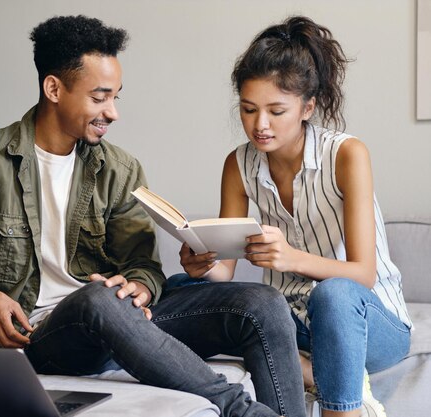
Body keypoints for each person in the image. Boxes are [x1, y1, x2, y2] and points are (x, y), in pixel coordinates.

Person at [0, 15, 305, 417]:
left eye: (115, 97)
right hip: (38, 338)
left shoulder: (119, 169)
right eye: (99, 97)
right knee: (97, 298)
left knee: (261, 302)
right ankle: (242, 412)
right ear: (54, 88)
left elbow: (142, 264)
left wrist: (140, 288)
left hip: (120, 325)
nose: (112, 112)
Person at [176, 15, 412, 417]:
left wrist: (290, 258)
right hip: (290, 322)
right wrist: (201, 261)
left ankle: (345, 409)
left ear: (308, 107)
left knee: (333, 294)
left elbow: (363, 275)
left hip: (366, 321)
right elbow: (224, 273)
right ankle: (313, 374)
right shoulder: (239, 164)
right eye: (249, 110)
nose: (260, 125)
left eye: (276, 110)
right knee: (180, 289)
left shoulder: (346, 155)